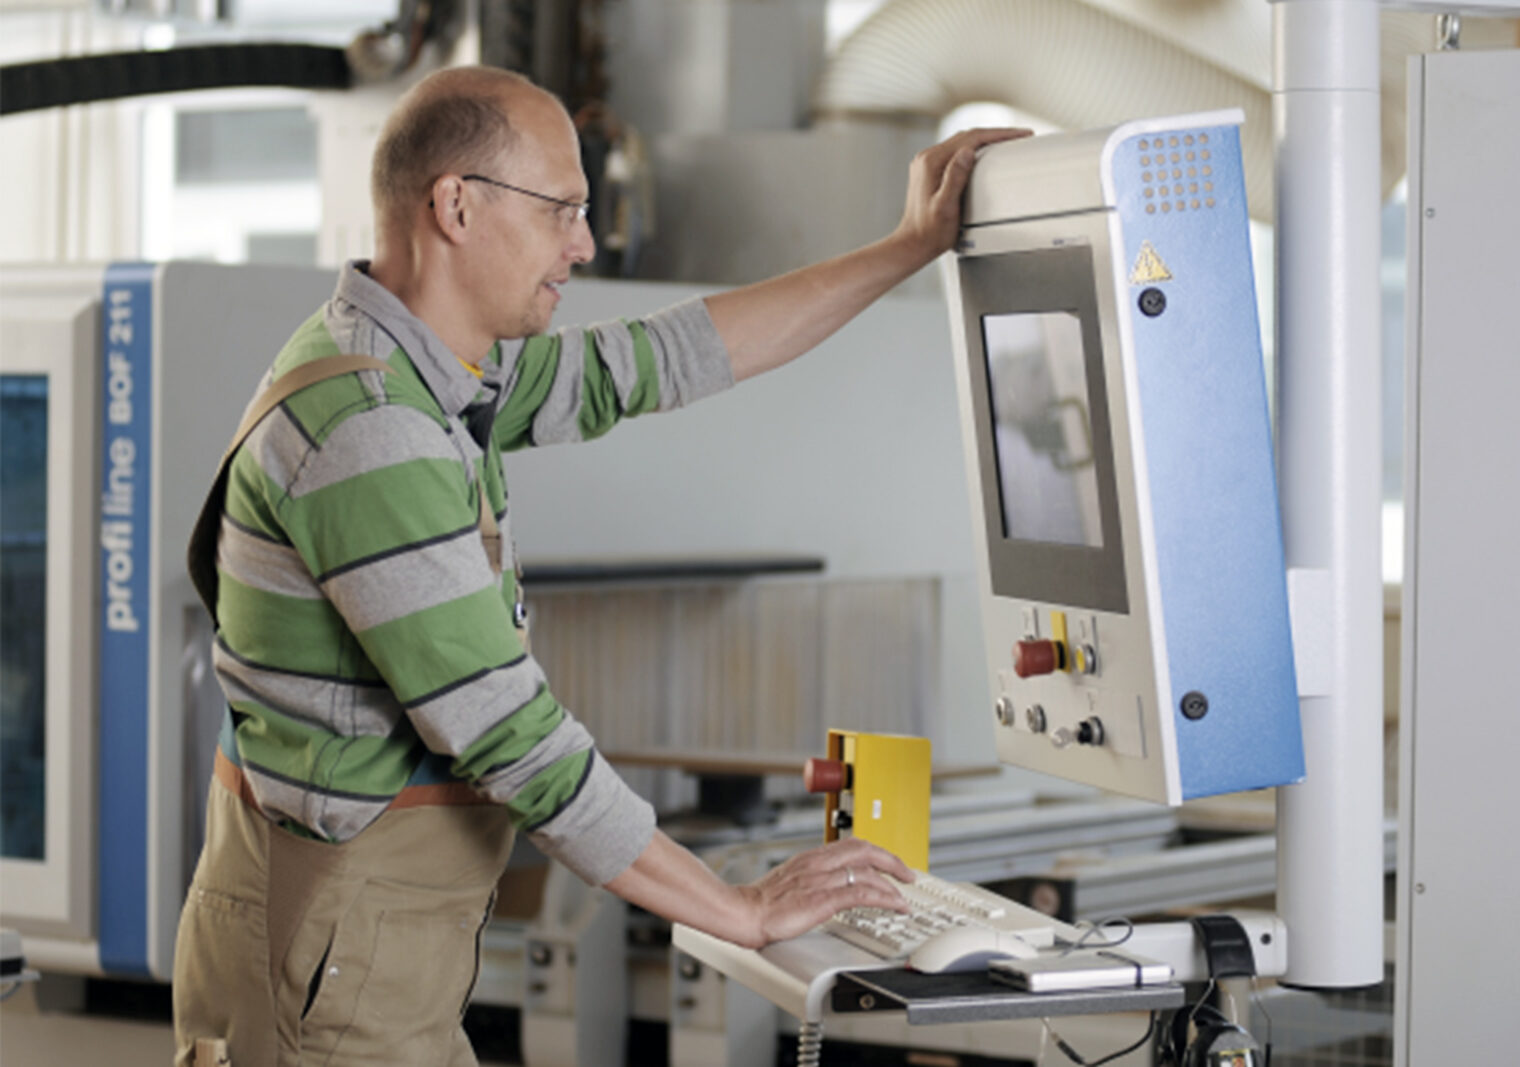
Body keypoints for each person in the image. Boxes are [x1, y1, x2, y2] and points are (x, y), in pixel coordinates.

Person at [171, 64, 1027, 1066]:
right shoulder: (373, 430)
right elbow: (514, 739)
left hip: (368, 948)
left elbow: (669, 357)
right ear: (454, 203)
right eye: (561, 211)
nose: (580, 245)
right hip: (326, 966)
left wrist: (906, 247)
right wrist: (733, 909)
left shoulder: (430, 369)